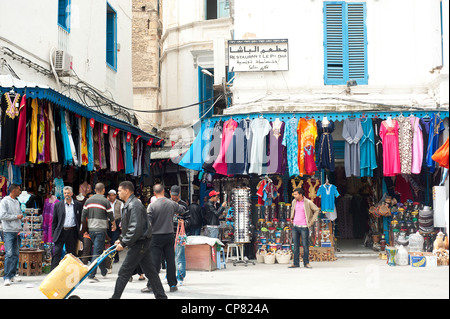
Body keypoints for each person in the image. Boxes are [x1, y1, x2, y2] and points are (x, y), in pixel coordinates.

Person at [111, 181, 166, 299]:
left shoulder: (134, 205)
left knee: (124, 272)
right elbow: (128, 226)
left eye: (119, 190)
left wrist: (124, 243)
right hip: (141, 242)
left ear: (126, 191)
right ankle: (161, 296)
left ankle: (115, 297)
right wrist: (121, 239)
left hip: (139, 243)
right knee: (151, 272)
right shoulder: (129, 204)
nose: (118, 193)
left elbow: (135, 227)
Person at [143, 184, 186, 293]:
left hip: (156, 237)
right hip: (169, 235)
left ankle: (152, 285)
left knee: (155, 262)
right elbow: (182, 210)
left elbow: (147, 223)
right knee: (171, 260)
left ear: (154, 193)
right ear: (164, 191)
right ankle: (172, 285)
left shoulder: (151, 206)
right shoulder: (171, 203)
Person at [81, 183, 116, 282]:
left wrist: (84, 229)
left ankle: (103, 270)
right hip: (100, 229)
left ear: (95, 190)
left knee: (99, 250)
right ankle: (91, 275)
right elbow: (111, 215)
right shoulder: (105, 201)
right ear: (103, 190)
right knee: (96, 252)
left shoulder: (88, 201)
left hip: (91, 229)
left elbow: (83, 216)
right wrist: (114, 225)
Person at [51, 186, 83, 271]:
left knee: (71, 254)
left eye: (68, 193)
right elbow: (54, 221)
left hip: (72, 232)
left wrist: (80, 233)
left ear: (72, 194)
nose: (66, 195)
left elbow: (80, 220)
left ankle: (70, 272)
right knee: (57, 253)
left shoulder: (78, 205)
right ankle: (53, 272)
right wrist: (53, 234)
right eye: (65, 193)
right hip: (61, 232)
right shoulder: (58, 205)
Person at [289, 188, 321, 269]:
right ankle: (296, 263)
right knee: (295, 246)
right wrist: (291, 218)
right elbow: (293, 210)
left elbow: (316, 210)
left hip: (304, 227)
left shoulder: (308, 202)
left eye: (296, 194)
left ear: (300, 194)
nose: (294, 196)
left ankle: (306, 263)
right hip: (295, 226)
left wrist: (311, 222)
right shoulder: (294, 201)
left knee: (305, 246)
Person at [0, 184, 23, 286]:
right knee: (9, 254)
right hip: (8, 231)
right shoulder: (4, 201)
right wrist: (16, 216)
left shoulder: (17, 202)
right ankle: (7, 277)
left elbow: (18, 215)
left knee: (15, 254)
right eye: (19, 189)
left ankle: (13, 275)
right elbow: (2, 215)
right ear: (13, 190)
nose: (20, 191)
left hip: (17, 230)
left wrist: (23, 218)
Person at [170, 185, 189, 286]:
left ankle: (180, 277)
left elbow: (189, 220)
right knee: (168, 256)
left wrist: (183, 223)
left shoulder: (184, 205)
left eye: (176, 196)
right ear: (170, 193)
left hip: (179, 234)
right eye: (173, 196)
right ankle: (168, 276)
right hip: (168, 233)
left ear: (179, 194)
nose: (174, 198)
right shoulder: (167, 204)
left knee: (180, 256)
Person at [107, 189, 123, 263]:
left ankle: (114, 257)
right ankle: (113, 256)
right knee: (110, 240)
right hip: (108, 223)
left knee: (114, 240)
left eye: (112, 195)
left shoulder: (120, 203)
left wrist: (122, 224)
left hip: (117, 222)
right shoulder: (107, 203)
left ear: (115, 196)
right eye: (110, 195)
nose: (111, 197)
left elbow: (122, 214)